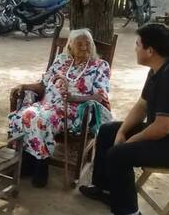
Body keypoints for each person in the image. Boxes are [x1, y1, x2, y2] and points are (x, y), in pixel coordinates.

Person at [79, 23, 169, 215]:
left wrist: (130, 141)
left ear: (150, 51)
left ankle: (129, 213)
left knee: (119, 155)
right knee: (108, 130)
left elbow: (163, 128)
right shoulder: (157, 68)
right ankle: (105, 189)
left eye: (137, 44)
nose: (135, 48)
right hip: (163, 134)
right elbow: (142, 105)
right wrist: (122, 132)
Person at [9, 28, 112, 187]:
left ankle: (40, 167)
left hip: (74, 111)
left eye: (88, 44)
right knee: (25, 115)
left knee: (39, 119)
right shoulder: (61, 60)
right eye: (79, 44)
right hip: (46, 105)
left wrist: (74, 97)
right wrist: (23, 85)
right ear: (70, 46)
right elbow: (43, 85)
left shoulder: (100, 66)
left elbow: (100, 96)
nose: (84, 47)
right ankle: (31, 162)